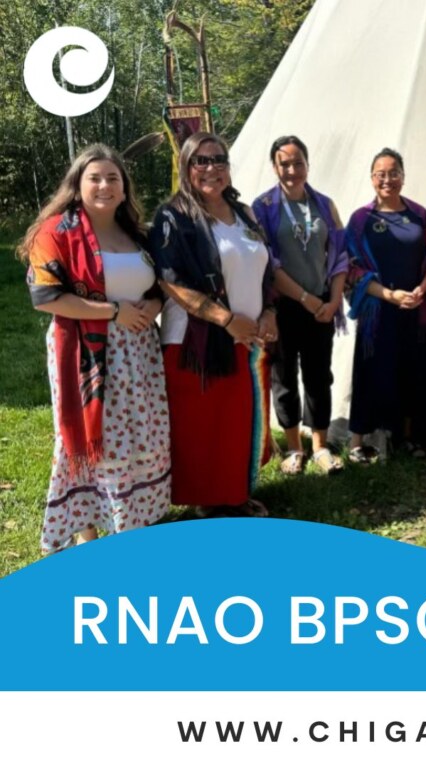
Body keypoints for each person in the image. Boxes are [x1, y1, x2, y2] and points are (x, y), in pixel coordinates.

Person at [20, 144, 170, 553]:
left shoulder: (137, 233)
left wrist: (153, 305)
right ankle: (88, 535)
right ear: (78, 184)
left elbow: (159, 288)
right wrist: (115, 312)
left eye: (113, 178)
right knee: (94, 440)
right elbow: (46, 297)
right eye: (95, 178)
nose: (104, 185)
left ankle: (132, 522)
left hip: (139, 354)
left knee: (140, 438)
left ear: (124, 189)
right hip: (86, 354)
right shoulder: (55, 232)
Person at [150, 131, 275, 516]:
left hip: (245, 337)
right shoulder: (174, 217)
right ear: (187, 168)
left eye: (218, 159)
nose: (211, 168)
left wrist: (268, 312)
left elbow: (264, 270)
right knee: (204, 427)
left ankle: (234, 494)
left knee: (237, 423)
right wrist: (224, 319)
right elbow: (169, 279)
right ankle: (208, 503)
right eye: (200, 161)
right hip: (196, 341)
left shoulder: (243, 214)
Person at [252, 135, 348, 475]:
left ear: (307, 163)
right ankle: (294, 446)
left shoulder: (325, 205)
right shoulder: (263, 207)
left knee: (320, 375)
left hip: (322, 305)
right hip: (284, 307)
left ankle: (319, 445)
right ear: (275, 166)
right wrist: (304, 299)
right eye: (284, 163)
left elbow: (339, 257)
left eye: (298, 162)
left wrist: (333, 300)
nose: (292, 170)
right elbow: (268, 264)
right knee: (284, 375)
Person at [346, 148, 426, 461]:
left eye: (394, 172)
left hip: (415, 308)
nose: (388, 179)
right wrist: (389, 295)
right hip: (378, 310)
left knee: (413, 371)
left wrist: (419, 292)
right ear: (372, 178)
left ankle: (408, 437)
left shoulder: (419, 215)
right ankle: (357, 440)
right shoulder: (361, 220)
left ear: (403, 175)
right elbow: (353, 269)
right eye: (381, 174)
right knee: (370, 371)